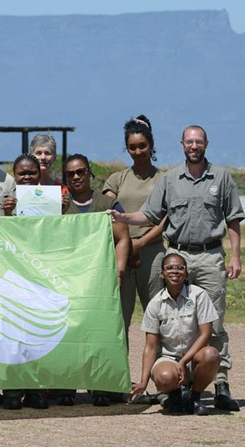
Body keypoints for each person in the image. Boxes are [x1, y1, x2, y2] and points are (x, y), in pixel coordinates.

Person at [109, 125, 244, 411]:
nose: (194, 146)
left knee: (213, 322)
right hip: (177, 257)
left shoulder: (221, 177)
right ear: (182, 145)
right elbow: (149, 214)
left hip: (209, 257)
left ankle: (220, 384)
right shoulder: (170, 179)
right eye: (189, 142)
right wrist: (122, 217)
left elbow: (233, 218)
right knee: (169, 320)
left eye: (199, 141)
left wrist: (235, 256)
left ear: (206, 143)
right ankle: (171, 386)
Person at [59, 154, 131, 407]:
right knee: (67, 331)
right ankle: (65, 387)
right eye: (71, 174)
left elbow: (123, 238)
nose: (77, 177)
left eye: (81, 172)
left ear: (90, 173)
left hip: (100, 281)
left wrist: (118, 273)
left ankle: (102, 387)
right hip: (66, 281)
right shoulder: (61, 206)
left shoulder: (107, 203)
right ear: (65, 178)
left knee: (100, 333)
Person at [0, 154, 51, 410]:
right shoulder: (2, 202)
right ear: (14, 175)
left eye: (31, 173)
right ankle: (13, 388)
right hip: (11, 277)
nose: (27, 177)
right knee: (13, 334)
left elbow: (57, 236)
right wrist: (7, 214)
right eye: (22, 173)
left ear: (39, 174)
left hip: (39, 277)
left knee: (37, 333)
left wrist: (65, 211)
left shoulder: (50, 201)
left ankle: (36, 389)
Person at [128, 254, 221, 415]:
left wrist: (184, 362)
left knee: (212, 354)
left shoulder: (199, 295)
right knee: (164, 377)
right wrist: (143, 382)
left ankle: (195, 397)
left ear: (186, 272)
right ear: (162, 274)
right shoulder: (155, 304)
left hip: (194, 358)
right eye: (169, 268)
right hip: (168, 358)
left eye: (180, 267)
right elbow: (150, 347)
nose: (175, 271)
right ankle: (175, 397)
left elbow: (205, 335)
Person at [102, 115, 165, 340]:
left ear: (151, 144)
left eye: (142, 146)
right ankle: (120, 372)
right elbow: (108, 214)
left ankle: (161, 369)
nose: (138, 152)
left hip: (153, 252)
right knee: (119, 316)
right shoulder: (117, 179)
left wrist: (140, 243)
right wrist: (127, 245)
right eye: (132, 147)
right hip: (121, 253)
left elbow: (165, 220)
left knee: (157, 314)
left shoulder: (164, 180)